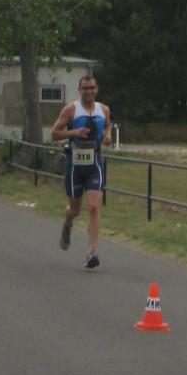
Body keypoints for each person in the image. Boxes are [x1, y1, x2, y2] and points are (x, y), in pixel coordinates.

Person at [50, 75, 111, 268]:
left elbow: (107, 126)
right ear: (79, 90)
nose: (89, 91)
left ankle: (91, 253)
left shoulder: (104, 109)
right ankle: (67, 224)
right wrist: (74, 132)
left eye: (92, 88)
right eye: (85, 88)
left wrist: (107, 136)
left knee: (93, 205)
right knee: (74, 209)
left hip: (94, 164)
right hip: (75, 166)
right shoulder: (71, 110)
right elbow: (54, 133)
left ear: (96, 89)